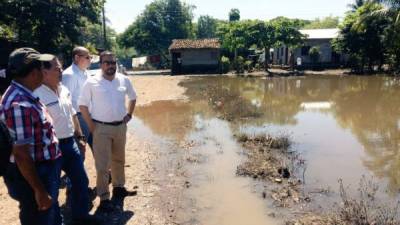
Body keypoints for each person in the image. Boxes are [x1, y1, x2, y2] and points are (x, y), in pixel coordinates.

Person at [33, 56, 99, 224]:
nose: (61, 71)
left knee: (81, 180)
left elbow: (72, 115)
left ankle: (80, 215)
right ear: (44, 72)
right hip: (50, 148)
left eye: (61, 67)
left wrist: (80, 136)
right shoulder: (36, 94)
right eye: (56, 68)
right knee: (52, 189)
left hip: (70, 143)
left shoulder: (63, 89)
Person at [0, 48, 62, 225]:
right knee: (40, 216)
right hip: (36, 174)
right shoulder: (19, 104)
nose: (45, 71)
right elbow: (21, 154)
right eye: (42, 68)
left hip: (42, 170)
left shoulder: (25, 93)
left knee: (51, 214)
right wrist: (40, 191)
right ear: (35, 72)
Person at [78, 51, 137, 211]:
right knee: (102, 165)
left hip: (120, 127)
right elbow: (82, 105)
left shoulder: (124, 79)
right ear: (101, 64)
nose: (110, 65)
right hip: (100, 128)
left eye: (113, 62)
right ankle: (104, 197)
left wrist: (129, 115)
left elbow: (133, 97)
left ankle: (119, 188)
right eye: (107, 62)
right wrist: (91, 126)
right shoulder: (91, 82)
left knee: (119, 159)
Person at [62, 46, 93, 149]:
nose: (90, 59)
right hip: (79, 119)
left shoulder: (85, 73)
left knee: (100, 148)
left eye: (91, 57)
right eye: (87, 57)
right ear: (76, 58)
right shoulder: (69, 75)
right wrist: (75, 125)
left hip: (91, 116)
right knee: (81, 150)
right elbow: (65, 101)